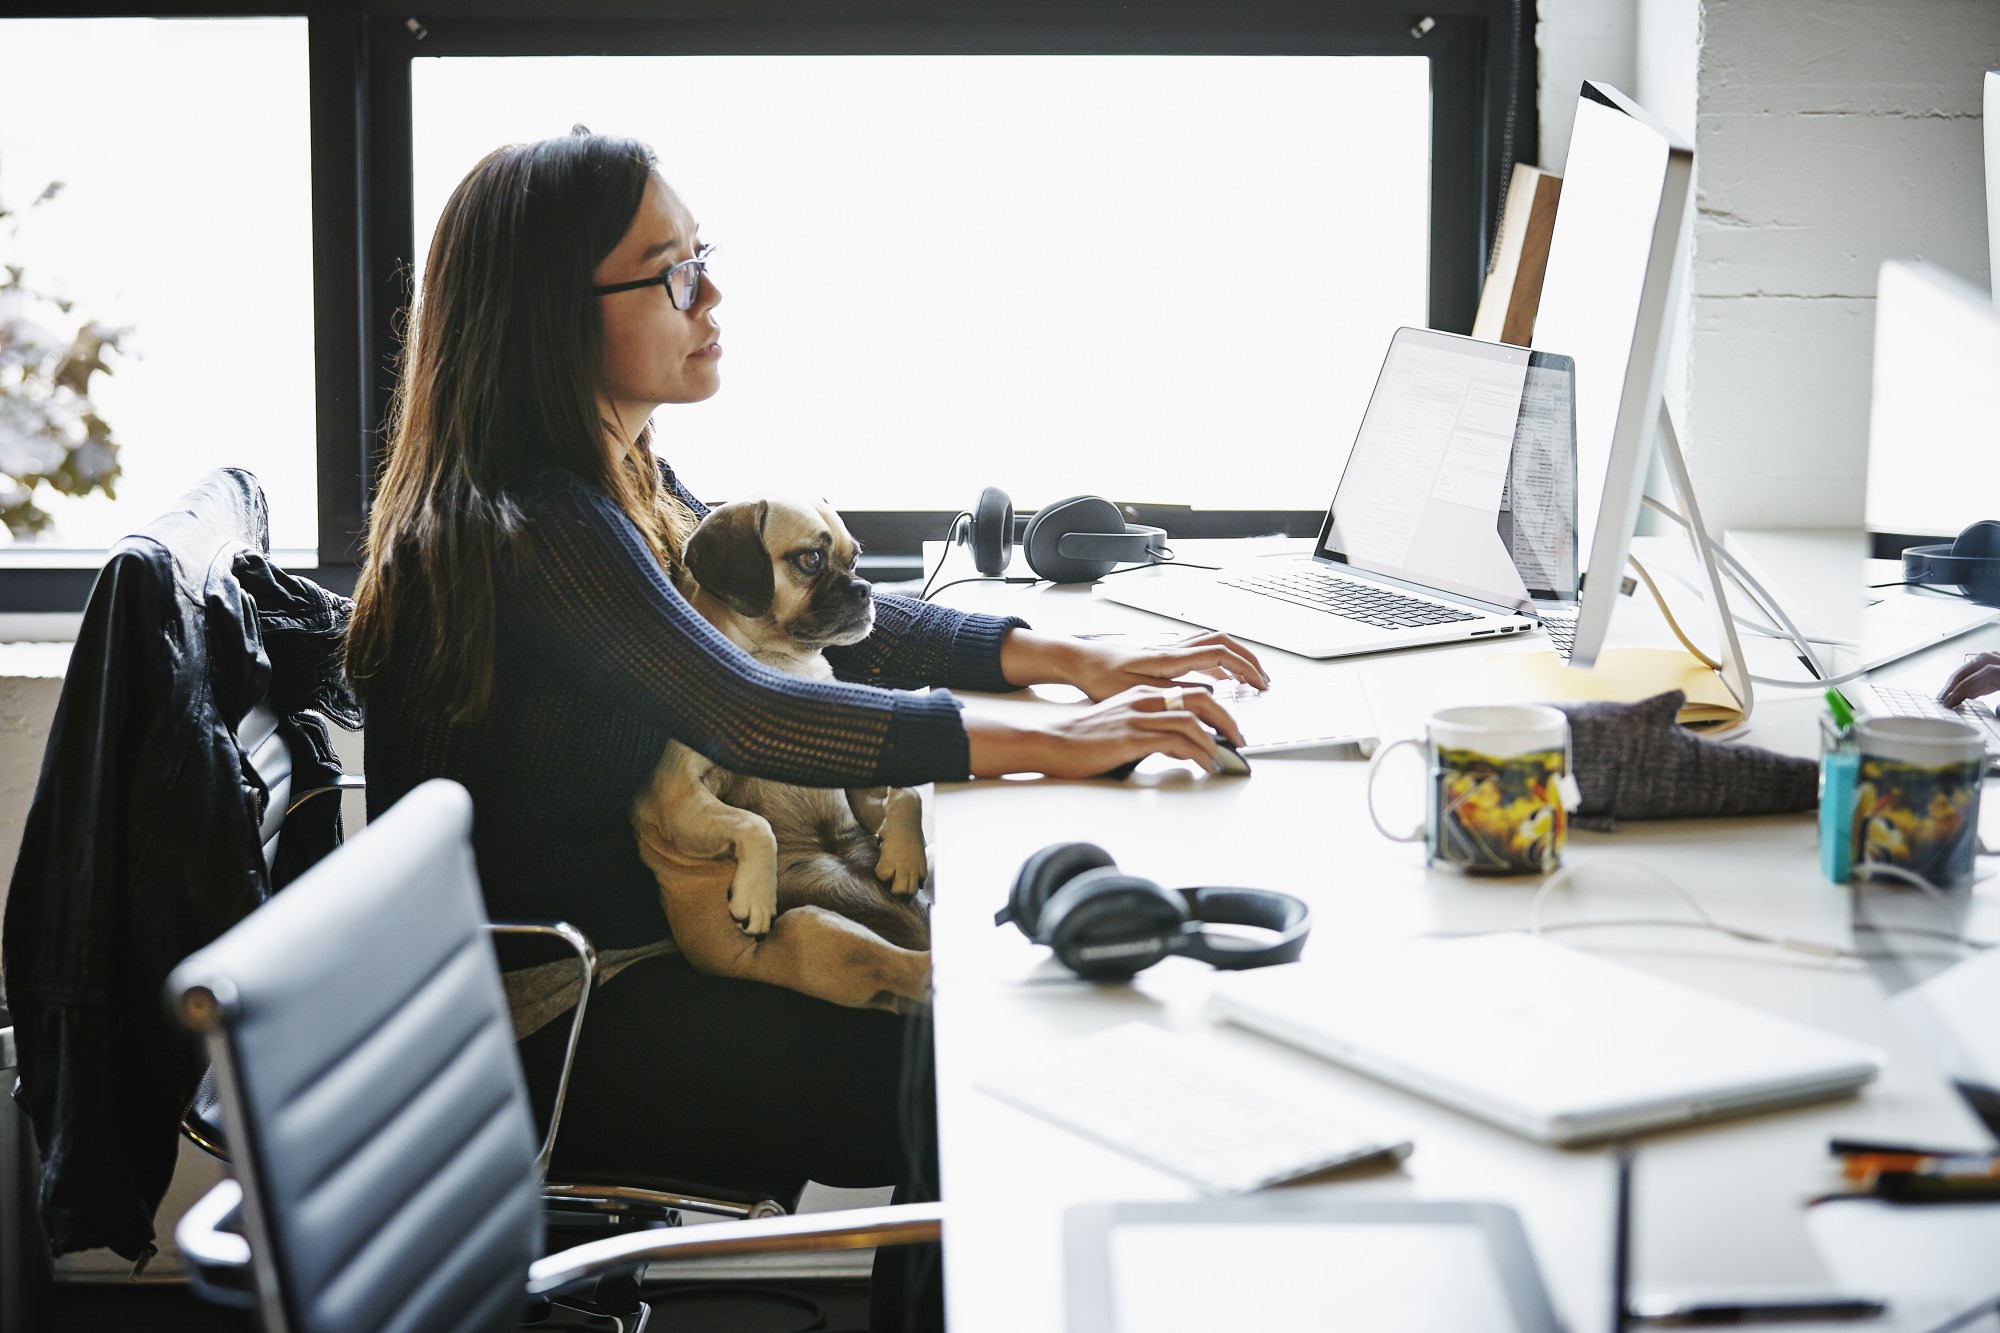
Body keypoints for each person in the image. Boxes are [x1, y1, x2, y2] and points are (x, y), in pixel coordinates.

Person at [344, 128, 1268, 1329]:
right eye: (670, 271)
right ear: (550, 315)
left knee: (994, 1013)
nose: (711, 294)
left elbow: (838, 631)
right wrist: (1064, 739)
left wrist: (1076, 659)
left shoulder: (616, 473)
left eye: (702, 255)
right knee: (988, 1062)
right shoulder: (537, 524)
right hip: (566, 1023)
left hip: (635, 965)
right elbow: (752, 707)